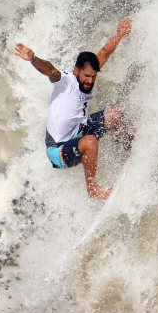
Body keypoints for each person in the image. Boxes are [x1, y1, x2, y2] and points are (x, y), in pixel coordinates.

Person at [14, 18, 132, 200]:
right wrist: (33, 59)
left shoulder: (89, 75)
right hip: (58, 150)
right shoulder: (66, 81)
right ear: (76, 71)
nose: (90, 81)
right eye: (86, 76)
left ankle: (129, 151)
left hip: (80, 132)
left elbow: (104, 53)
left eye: (93, 77)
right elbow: (50, 70)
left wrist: (121, 33)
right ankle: (92, 189)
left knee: (114, 115)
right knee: (90, 141)